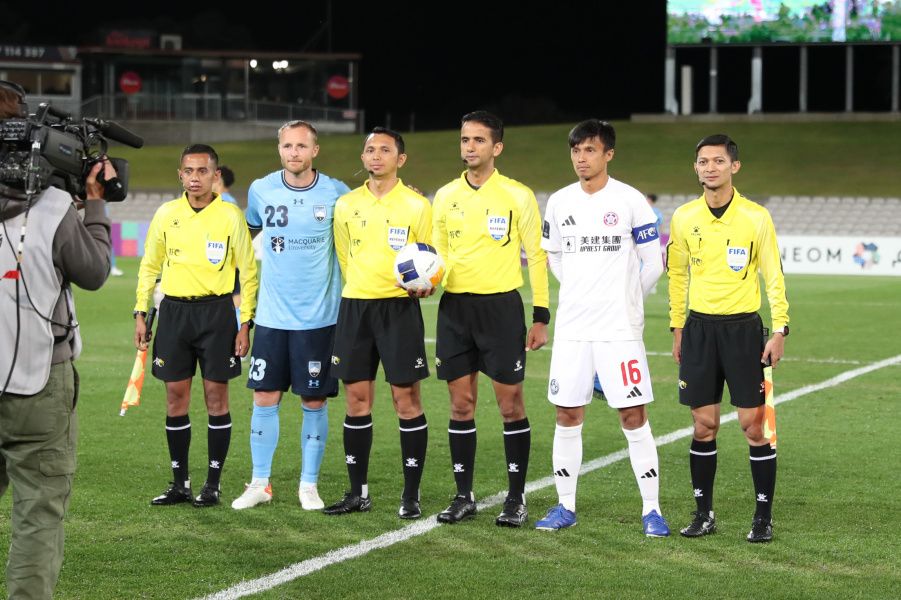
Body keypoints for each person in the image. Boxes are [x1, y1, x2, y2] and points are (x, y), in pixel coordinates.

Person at [0, 81, 114, 598]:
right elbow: (93, 273)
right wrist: (93, 203)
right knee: (38, 513)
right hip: (38, 378)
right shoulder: (48, 205)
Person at [532, 119, 670, 536]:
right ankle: (565, 506)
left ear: (608, 154)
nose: (580, 158)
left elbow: (653, 262)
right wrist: (577, 289)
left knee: (632, 413)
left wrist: (628, 299)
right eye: (575, 150)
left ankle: (652, 510)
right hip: (574, 329)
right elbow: (553, 257)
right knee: (567, 413)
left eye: (589, 150)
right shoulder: (558, 202)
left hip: (619, 330)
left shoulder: (630, 201)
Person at [667, 134, 789, 543]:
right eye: (703, 161)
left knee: (753, 427)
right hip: (699, 331)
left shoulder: (756, 217)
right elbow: (678, 276)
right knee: (703, 425)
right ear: (695, 167)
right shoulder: (684, 217)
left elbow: (773, 275)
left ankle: (762, 518)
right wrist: (677, 327)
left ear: (734, 166)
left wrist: (779, 329)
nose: (710, 168)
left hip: (743, 331)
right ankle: (704, 514)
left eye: (718, 161)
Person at [432, 111, 549, 527]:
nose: (470, 147)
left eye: (479, 140)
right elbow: (439, 253)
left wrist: (540, 314)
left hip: (501, 310)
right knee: (460, 405)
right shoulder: (445, 196)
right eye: (465, 139)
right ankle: (463, 496)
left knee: (510, 404)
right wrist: (429, 278)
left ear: (496, 147)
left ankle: (516, 499)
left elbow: (536, 255)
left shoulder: (518, 195)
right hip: (455, 310)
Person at [231, 121, 350, 511]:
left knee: (314, 401)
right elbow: (244, 238)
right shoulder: (261, 190)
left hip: (318, 319)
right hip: (270, 318)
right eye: (287, 146)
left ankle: (309, 485)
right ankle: (260, 482)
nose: (294, 152)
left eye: (302, 146)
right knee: (264, 396)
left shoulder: (337, 193)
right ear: (278, 149)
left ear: (315, 150)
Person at [134, 144, 258, 508]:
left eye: (202, 171)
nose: (194, 178)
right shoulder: (166, 213)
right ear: (180, 175)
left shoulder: (231, 216)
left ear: (215, 175)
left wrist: (245, 323)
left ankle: (213, 484)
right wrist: (141, 313)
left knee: (216, 398)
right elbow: (149, 266)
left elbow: (248, 274)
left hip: (217, 314)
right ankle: (179, 483)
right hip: (174, 314)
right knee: (175, 398)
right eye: (188, 171)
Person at [324, 127, 432, 519]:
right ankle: (358, 493)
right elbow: (343, 254)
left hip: (398, 309)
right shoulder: (346, 204)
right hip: (355, 308)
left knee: (406, 401)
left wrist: (424, 285)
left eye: (385, 150)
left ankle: (411, 494)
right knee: (356, 402)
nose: (375, 156)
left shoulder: (417, 205)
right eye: (370, 150)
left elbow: (428, 257)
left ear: (400, 159)